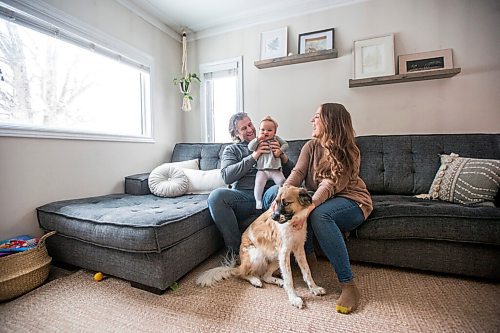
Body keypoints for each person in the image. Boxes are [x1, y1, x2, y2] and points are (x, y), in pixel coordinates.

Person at [268, 103, 373, 314]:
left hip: (352, 201)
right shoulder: (311, 146)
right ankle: (307, 259)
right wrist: (282, 193)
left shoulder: (349, 151)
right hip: (323, 198)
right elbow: (297, 172)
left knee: (319, 214)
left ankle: (348, 284)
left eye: (317, 116)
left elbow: (330, 184)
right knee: (273, 195)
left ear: (330, 121)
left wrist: (309, 207)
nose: (312, 120)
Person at [207, 112, 295, 255]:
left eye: (250, 124)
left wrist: (282, 156)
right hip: (243, 198)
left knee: (279, 189)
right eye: (243, 128)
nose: (249, 129)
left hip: (269, 194)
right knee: (216, 196)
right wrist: (254, 156)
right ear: (236, 134)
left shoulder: (273, 141)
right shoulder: (232, 150)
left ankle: (279, 254)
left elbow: (293, 174)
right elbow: (227, 176)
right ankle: (236, 252)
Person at [248, 116, 288, 210]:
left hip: (275, 170)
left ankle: (284, 199)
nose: (265, 132)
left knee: (283, 182)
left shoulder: (276, 139)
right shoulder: (258, 141)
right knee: (258, 184)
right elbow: (250, 147)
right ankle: (258, 201)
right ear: (259, 130)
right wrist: (257, 139)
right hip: (262, 170)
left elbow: (286, 145)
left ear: (275, 132)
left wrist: (280, 151)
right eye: (263, 130)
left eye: (269, 130)